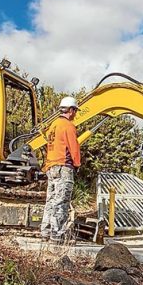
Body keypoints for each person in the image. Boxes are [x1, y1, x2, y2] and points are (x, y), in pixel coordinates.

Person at [41, 96, 81, 243]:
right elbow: (74, 147)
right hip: (63, 166)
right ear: (70, 110)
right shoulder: (68, 126)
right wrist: (77, 164)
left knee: (51, 200)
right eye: (75, 110)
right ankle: (57, 234)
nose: (75, 114)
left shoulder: (53, 125)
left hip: (51, 166)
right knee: (62, 201)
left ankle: (46, 231)